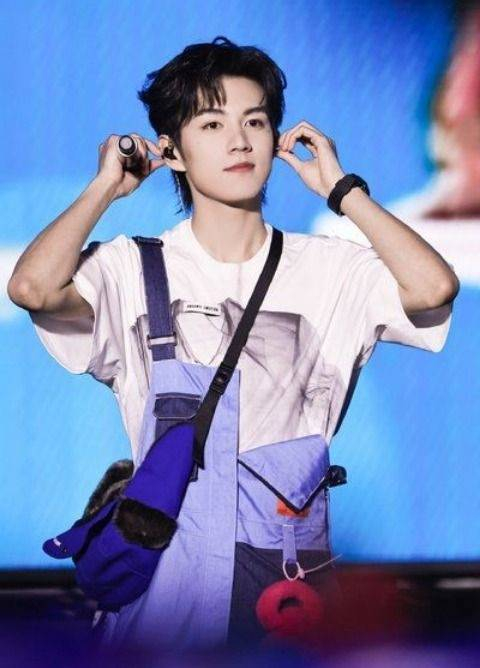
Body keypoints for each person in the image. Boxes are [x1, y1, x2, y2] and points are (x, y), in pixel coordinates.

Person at [7, 36, 459, 654]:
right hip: (166, 593)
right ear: (172, 151)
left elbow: (434, 287)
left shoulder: (331, 269)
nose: (239, 141)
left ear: (277, 137)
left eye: (255, 121)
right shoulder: (130, 267)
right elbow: (32, 287)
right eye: (212, 124)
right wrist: (104, 189)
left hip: (285, 592)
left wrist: (343, 190)